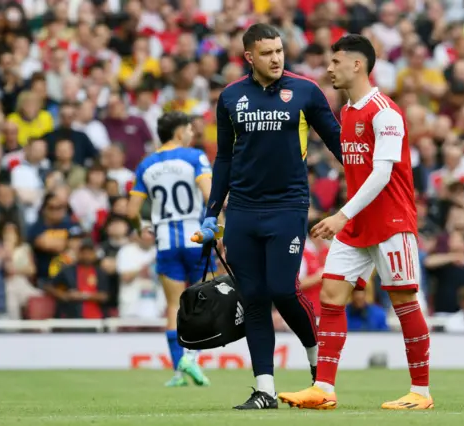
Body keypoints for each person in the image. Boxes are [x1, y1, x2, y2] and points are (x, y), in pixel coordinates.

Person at [278, 34, 433, 410]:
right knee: (331, 297)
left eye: (335, 62)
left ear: (357, 65)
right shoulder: (347, 112)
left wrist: (340, 214)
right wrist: (347, 218)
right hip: (357, 224)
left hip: (392, 221)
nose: (329, 68)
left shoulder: (385, 112)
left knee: (403, 301)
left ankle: (421, 392)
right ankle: (324, 389)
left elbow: (382, 174)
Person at [193, 23, 343, 410]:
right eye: (267, 53)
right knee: (254, 297)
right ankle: (265, 390)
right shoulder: (230, 97)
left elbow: (338, 142)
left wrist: (370, 183)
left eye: (279, 50)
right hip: (242, 209)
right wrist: (212, 213)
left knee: (282, 288)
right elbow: (224, 157)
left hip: (288, 206)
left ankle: (317, 368)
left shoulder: (306, 91)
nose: (276, 58)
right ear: (249, 57)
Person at [127, 112, 213, 387]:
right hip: (195, 237)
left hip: (165, 239)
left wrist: (141, 226)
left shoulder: (146, 165)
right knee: (204, 301)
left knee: (174, 305)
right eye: (189, 129)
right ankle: (191, 357)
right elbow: (210, 196)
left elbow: (132, 210)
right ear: (179, 132)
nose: (192, 133)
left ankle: (178, 371)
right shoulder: (194, 156)